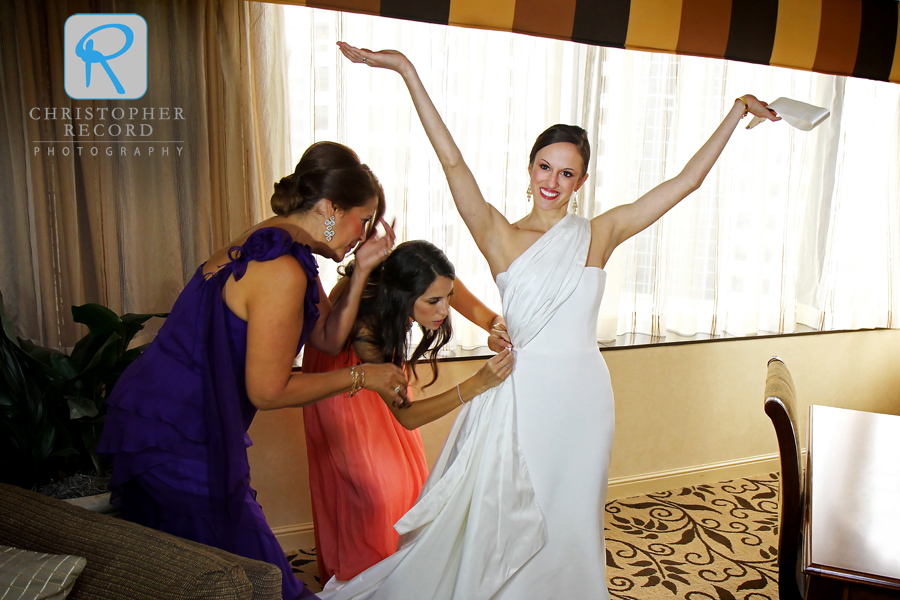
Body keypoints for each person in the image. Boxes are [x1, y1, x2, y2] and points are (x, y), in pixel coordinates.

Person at [313, 43, 781, 600]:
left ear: (581, 182)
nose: (552, 182)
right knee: (513, 515)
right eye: (544, 167)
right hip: (523, 395)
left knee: (573, 515)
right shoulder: (499, 235)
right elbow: (452, 162)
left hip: (586, 398)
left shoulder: (598, 234)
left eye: (567, 173)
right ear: (529, 167)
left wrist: (736, 112)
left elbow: (684, 183)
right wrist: (407, 72)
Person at [97, 141, 416, 600]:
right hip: (178, 429)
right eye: (361, 220)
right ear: (330, 207)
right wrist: (364, 377)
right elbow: (268, 391)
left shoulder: (277, 243)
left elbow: (325, 337)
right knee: (256, 575)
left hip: (171, 416)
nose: (362, 235)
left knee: (202, 569)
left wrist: (362, 269)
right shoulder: (282, 268)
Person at [303, 240, 513, 583]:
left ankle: (398, 570)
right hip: (343, 387)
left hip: (384, 377)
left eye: (446, 297)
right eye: (433, 302)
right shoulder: (367, 330)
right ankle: (364, 576)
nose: (444, 309)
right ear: (401, 297)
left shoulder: (418, 272)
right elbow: (408, 415)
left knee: (407, 483)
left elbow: (459, 296)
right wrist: (475, 385)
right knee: (375, 492)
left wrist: (493, 326)